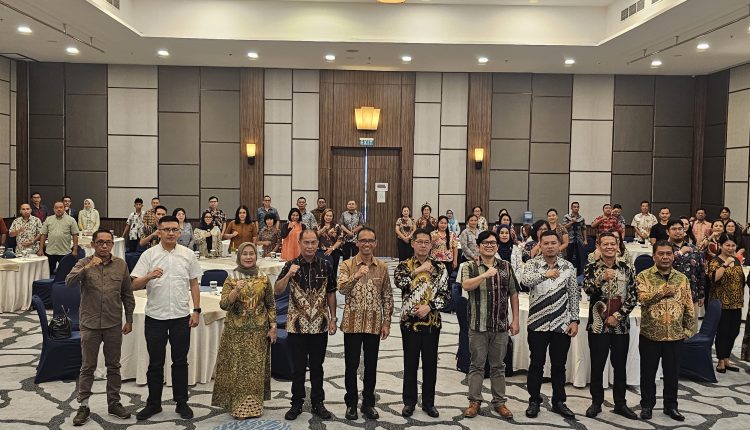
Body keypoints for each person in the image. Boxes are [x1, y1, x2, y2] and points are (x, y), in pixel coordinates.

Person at [131, 215, 202, 421]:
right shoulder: (149, 255)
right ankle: (154, 404)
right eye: (166, 229)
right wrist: (148, 276)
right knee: (155, 363)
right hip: (155, 316)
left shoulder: (188, 254)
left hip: (180, 316)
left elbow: (194, 284)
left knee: (180, 362)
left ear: (179, 232)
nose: (171, 233)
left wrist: (196, 310)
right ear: (159, 232)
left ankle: (182, 403)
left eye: (174, 229)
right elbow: (133, 284)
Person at [66, 229, 135, 425]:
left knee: (114, 365)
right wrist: (87, 267)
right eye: (100, 242)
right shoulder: (84, 262)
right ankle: (83, 405)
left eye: (108, 242)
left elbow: (127, 294)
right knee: (88, 366)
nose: (104, 246)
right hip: (90, 324)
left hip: (113, 323)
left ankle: (114, 403)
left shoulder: (121, 265)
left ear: (112, 244)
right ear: (93, 245)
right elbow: (69, 282)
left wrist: (129, 319)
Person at [274, 229, 337, 421]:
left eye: (313, 242)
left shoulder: (326, 265)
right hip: (297, 326)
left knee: (317, 366)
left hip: (320, 325)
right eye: (306, 243)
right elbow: (277, 290)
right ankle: (296, 403)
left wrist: (333, 318)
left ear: (318, 244)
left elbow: (331, 292)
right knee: (298, 367)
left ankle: (318, 403)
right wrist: (288, 275)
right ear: (300, 243)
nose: (310, 246)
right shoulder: (290, 264)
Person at [212, 242, 277, 419]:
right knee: (238, 370)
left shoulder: (263, 277)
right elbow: (224, 305)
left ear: (256, 256)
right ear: (239, 256)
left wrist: (273, 327)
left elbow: (271, 304)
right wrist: (235, 291)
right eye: (245, 254)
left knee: (255, 370)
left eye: (251, 253)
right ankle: (238, 407)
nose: (248, 257)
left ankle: (255, 407)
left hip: (258, 332)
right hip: (236, 333)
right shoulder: (232, 277)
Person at [520, 230, 580, 419]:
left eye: (553, 243)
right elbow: (525, 281)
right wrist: (545, 274)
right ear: (540, 244)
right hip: (537, 323)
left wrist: (575, 320)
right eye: (545, 243)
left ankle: (559, 401)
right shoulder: (532, 264)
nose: (550, 246)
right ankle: (534, 401)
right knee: (536, 364)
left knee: (559, 366)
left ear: (559, 245)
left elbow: (574, 294)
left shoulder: (568, 266)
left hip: (561, 324)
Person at [460, 230, 519, 420]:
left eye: (493, 243)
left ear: (497, 246)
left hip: (500, 325)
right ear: (479, 246)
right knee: (476, 365)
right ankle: (474, 401)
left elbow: (513, 293)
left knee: (498, 366)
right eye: (485, 243)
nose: (489, 245)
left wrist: (515, 320)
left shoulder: (506, 266)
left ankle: (499, 402)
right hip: (478, 325)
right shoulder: (469, 266)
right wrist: (485, 275)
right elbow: (466, 285)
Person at [337, 227, 394, 421]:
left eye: (370, 240)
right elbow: (341, 289)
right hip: (352, 324)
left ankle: (368, 403)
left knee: (371, 366)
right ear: (357, 243)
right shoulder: (347, 265)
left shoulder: (382, 267)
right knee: (351, 365)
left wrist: (386, 322)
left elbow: (387, 296)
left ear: (375, 243)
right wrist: (356, 276)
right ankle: (351, 404)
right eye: (363, 240)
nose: (366, 244)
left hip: (374, 324)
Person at [636, 240, 696, 422]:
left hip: (675, 335)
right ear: (654, 256)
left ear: (673, 256)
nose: (665, 257)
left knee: (672, 374)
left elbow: (688, 305)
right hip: (651, 334)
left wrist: (688, 330)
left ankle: (671, 406)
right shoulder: (644, 276)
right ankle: (647, 405)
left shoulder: (682, 278)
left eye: (668, 254)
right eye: (661, 254)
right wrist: (661, 292)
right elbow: (642, 299)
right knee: (647, 373)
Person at [582, 233, 638, 420]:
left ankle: (620, 403)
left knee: (620, 366)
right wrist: (601, 279)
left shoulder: (627, 268)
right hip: (597, 326)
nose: (609, 247)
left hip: (620, 326)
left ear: (618, 245)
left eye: (612, 244)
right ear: (598, 246)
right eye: (605, 244)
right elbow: (587, 290)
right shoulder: (591, 267)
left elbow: (633, 296)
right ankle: (596, 402)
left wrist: (618, 316)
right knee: (597, 365)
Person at [394, 229, 450, 418]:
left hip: (432, 323)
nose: (423, 245)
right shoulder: (404, 265)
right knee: (410, 363)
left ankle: (428, 403)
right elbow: (400, 283)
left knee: (430, 364)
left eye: (427, 242)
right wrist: (419, 270)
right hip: (409, 323)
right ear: (413, 243)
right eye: (420, 242)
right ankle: (409, 402)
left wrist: (429, 307)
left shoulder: (440, 267)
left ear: (431, 245)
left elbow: (445, 295)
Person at [706, 233, 745, 373]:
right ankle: (721, 360)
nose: (730, 248)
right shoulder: (715, 261)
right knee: (722, 332)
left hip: (736, 303)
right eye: (727, 245)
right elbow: (714, 278)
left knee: (734, 331)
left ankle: (727, 358)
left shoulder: (737, 261)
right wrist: (725, 264)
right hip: (721, 303)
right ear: (721, 246)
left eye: (733, 245)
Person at [666, 219, 706, 327]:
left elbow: (701, 272)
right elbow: (661, 266)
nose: (678, 231)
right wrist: (680, 252)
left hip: (692, 296)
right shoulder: (664, 249)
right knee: (672, 329)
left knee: (691, 329)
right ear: (667, 231)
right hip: (670, 297)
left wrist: (701, 294)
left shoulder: (694, 249)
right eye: (674, 229)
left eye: (680, 229)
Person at [38, 201, 80, 275]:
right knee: (49, 273)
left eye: (61, 207)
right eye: (56, 208)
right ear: (53, 209)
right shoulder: (48, 219)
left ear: (64, 208)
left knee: (65, 273)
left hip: (65, 251)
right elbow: (43, 235)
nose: (59, 209)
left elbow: (75, 235)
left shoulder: (71, 220)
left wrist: (75, 250)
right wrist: (41, 249)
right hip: (50, 251)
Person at [562, 201, 588, 276]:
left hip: (579, 240)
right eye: (574, 207)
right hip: (569, 240)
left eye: (577, 207)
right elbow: (563, 227)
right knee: (569, 257)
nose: (576, 208)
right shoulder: (567, 217)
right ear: (571, 208)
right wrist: (571, 222)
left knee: (579, 257)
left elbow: (584, 229)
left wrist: (585, 240)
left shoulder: (581, 218)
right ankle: (568, 273)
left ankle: (579, 274)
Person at [316, 209, 343, 276]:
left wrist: (332, 248)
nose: (328, 217)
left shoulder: (337, 226)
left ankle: (333, 283)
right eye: (327, 215)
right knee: (321, 271)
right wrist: (322, 230)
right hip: (321, 251)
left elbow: (340, 240)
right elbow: (314, 236)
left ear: (333, 217)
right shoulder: (318, 226)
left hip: (334, 251)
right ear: (323, 216)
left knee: (333, 271)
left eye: (330, 216)